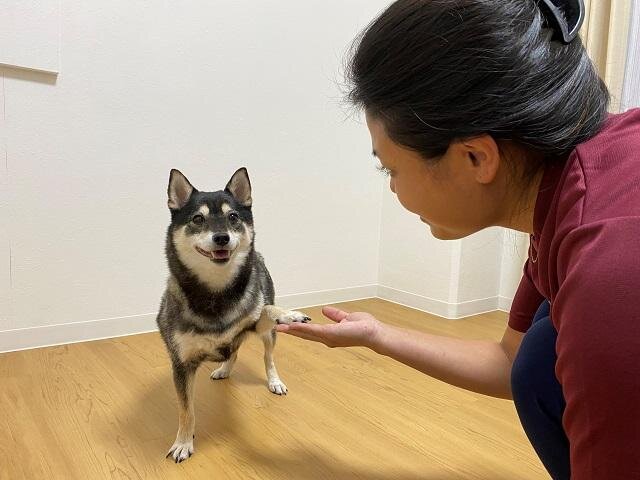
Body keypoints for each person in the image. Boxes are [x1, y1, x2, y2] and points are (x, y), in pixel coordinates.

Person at [276, 1, 640, 479]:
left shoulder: (607, 272)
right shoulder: (569, 188)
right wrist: (377, 335)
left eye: (391, 168)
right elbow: (508, 359)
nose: (391, 186)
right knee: (537, 356)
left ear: (475, 157)